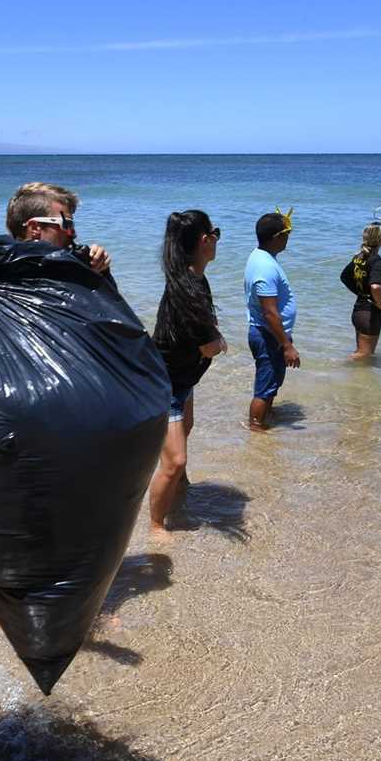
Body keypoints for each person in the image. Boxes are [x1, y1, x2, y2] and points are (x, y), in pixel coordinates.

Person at [0, 181, 114, 627]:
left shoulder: (68, 271)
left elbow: (107, 329)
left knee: (61, 521)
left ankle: (54, 612)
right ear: (34, 229)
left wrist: (100, 275)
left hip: (61, 420)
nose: (73, 232)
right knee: (30, 522)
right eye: (65, 223)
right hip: (20, 423)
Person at [148, 210, 227, 539]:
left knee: (186, 432)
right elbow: (209, 346)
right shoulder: (188, 288)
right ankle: (155, 525)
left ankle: (180, 486)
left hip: (181, 378)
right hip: (165, 384)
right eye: (215, 233)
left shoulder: (190, 277)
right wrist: (219, 342)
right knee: (175, 460)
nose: (217, 240)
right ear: (203, 240)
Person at [244, 208, 300, 431]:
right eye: (286, 234)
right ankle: (256, 427)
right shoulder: (265, 266)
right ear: (277, 237)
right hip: (267, 334)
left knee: (272, 382)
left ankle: (267, 414)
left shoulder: (262, 256)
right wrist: (286, 345)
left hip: (272, 333)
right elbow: (270, 312)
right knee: (265, 386)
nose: (288, 239)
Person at [340, 223, 381, 358]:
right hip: (369, 314)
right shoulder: (376, 260)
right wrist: (378, 302)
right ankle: (335, 365)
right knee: (364, 355)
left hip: (358, 311)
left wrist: (360, 293)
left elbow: (344, 277)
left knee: (363, 355)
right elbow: (375, 286)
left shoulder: (359, 257)